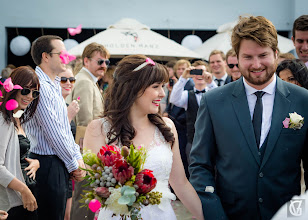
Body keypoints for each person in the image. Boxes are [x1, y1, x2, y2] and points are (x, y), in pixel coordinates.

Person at [189, 15, 308, 220]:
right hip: (229, 214)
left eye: (263, 55)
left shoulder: (302, 100)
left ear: (276, 54)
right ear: (236, 57)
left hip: (288, 215)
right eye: (248, 57)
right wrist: (214, 214)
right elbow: (200, 165)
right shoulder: (213, 101)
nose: (256, 64)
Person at [84, 55, 204, 220]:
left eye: (163, 86)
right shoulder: (98, 128)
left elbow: (181, 184)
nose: (162, 93)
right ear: (133, 88)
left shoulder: (167, 127)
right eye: (156, 86)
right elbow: (95, 186)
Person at [25, 35, 85, 220]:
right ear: (46, 56)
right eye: (61, 53)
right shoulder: (40, 86)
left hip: (56, 161)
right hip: (46, 164)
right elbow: (54, 133)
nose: (66, 57)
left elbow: (64, 129)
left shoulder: (53, 85)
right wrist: (74, 164)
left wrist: (76, 156)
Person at [67, 42, 109, 220]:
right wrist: (88, 156)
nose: (104, 66)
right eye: (100, 61)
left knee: (86, 197)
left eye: (106, 62)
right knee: (85, 196)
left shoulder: (88, 80)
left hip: (87, 148)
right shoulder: (84, 81)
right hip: (86, 149)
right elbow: (84, 121)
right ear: (86, 61)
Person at [0, 66, 40, 219]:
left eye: (34, 93)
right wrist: (25, 190)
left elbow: (19, 153)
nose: (30, 96)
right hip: (12, 203)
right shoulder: (3, 120)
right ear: (13, 89)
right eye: (25, 90)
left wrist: (36, 162)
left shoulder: (17, 116)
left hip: (24, 199)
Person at [169, 60, 217, 176]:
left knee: (215, 173)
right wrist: (183, 78)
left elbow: (222, 100)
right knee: (195, 173)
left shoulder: (213, 91)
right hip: (192, 141)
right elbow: (174, 99)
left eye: (202, 72)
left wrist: (211, 83)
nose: (200, 75)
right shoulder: (187, 95)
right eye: (196, 72)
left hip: (214, 142)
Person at [58, 66, 80, 220]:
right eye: (63, 79)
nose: (68, 83)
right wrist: (69, 117)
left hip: (69, 167)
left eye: (71, 79)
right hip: (58, 167)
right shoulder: (54, 107)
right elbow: (57, 137)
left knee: (67, 215)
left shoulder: (65, 105)